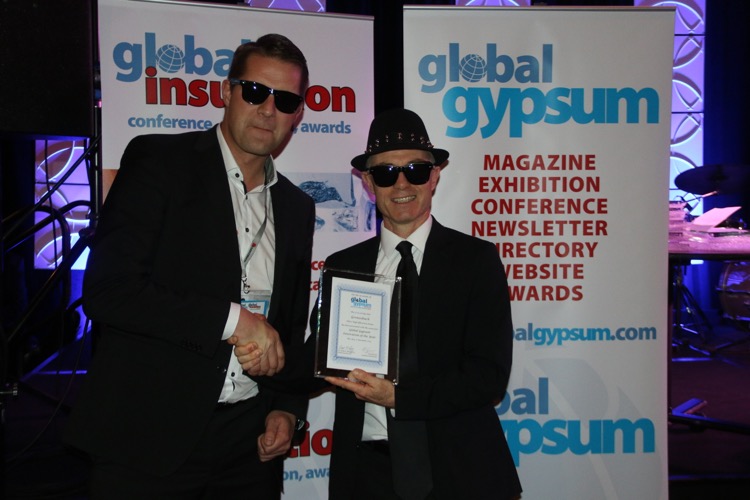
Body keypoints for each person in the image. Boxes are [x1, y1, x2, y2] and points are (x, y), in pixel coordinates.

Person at [64, 34, 315, 499]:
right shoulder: (160, 162)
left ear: (297, 113)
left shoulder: (297, 207)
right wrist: (235, 320)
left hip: (247, 448)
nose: (268, 109)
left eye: (285, 100)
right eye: (255, 91)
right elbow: (109, 290)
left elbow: (289, 324)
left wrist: (286, 408)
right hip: (146, 441)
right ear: (226, 92)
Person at [318, 108, 521, 499]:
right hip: (366, 475)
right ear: (367, 183)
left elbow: (489, 375)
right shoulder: (343, 266)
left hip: (461, 469)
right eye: (385, 173)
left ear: (434, 176)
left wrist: (399, 398)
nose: (401, 183)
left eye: (415, 170)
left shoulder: (476, 260)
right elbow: (318, 356)